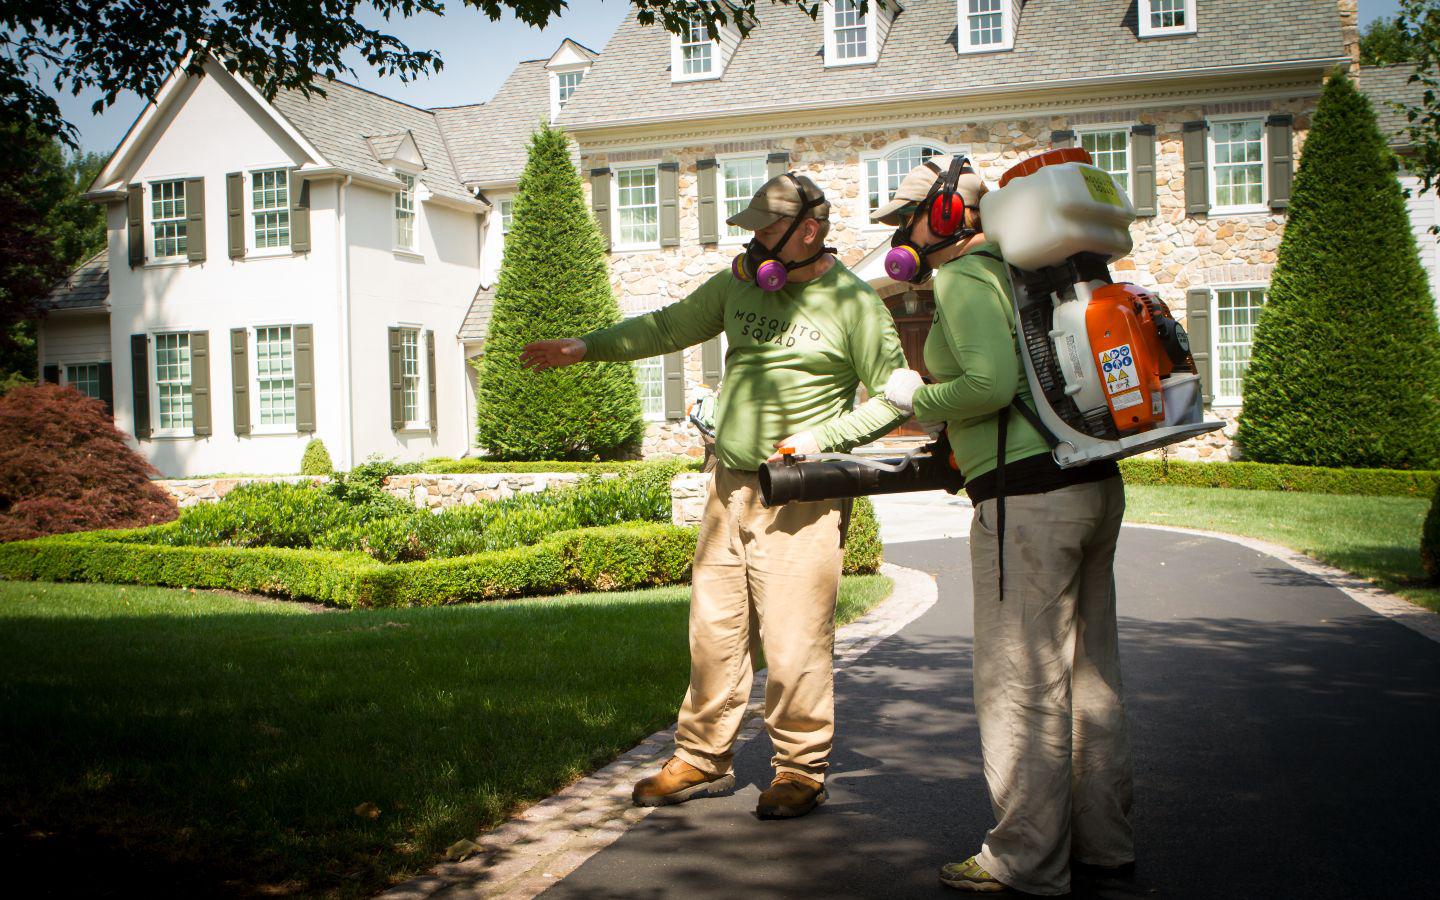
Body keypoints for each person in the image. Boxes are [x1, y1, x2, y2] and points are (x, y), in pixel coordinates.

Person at [520, 173, 917, 819]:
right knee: (714, 635)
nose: (755, 240)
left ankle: (800, 770)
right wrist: (583, 349)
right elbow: (668, 326)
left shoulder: (855, 304)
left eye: (766, 229)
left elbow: (898, 398)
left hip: (799, 500)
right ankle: (702, 758)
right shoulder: (740, 282)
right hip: (727, 489)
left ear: (808, 231)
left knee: (794, 645)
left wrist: (821, 437)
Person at [875, 157, 1134, 894]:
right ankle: (1103, 844)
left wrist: (912, 395)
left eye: (906, 218)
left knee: (1021, 683)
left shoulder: (962, 277)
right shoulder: (1033, 268)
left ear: (949, 214)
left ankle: (1022, 860)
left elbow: (988, 384)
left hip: (1026, 503)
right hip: (1092, 483)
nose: (900, 233)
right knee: (1091, 680)